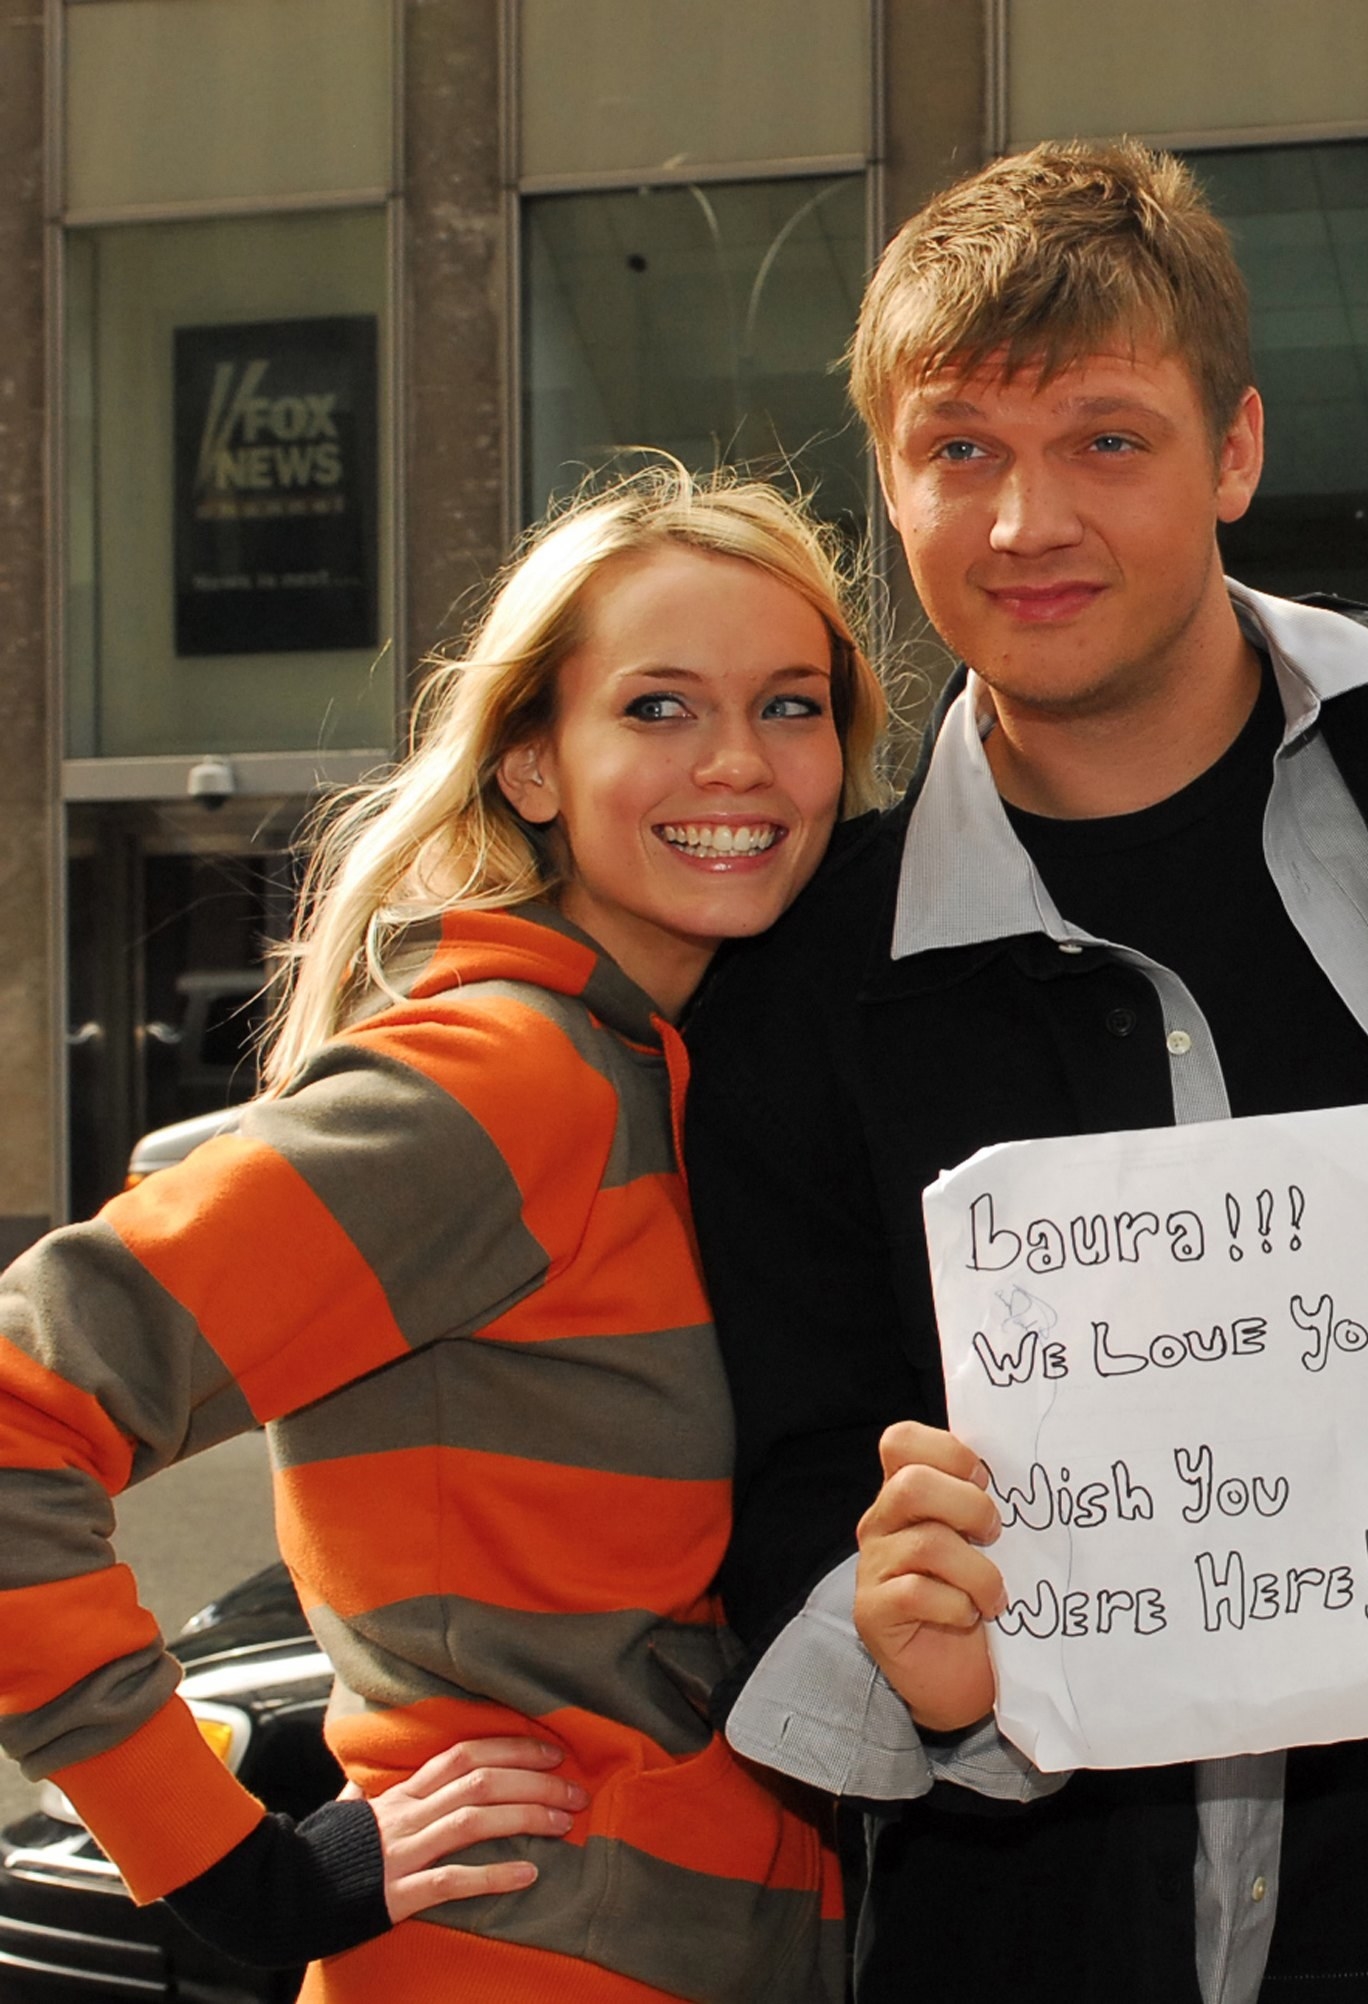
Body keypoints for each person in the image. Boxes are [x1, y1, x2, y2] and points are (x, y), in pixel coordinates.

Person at [683, 140, 1368, 2003]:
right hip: (1094, 1941)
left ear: (1235, 453)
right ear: (892, 486)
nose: (1025, 523)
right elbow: (782, 1485)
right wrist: (892, 1635)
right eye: (961, 452)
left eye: (1105, 439)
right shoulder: (812, 987)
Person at [0, 464, 879, 1999]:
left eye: (792, 706)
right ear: (534, 762)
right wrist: (242, 1872)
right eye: (660, 708)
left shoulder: (679, 1081)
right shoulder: (505, 1082)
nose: (740, 762)